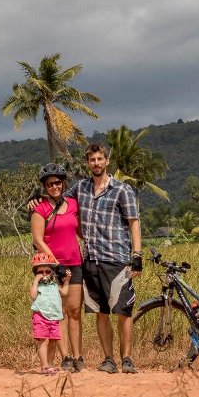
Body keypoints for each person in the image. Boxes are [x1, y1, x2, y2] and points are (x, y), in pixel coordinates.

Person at [69, 142, 142, 374]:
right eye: (92, 160)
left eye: (100, 159)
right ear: (87, 163)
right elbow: (58, 199)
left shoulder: (122, 190)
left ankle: (127, 358)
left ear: (107, 161)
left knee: (123, 311)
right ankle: (108, 359)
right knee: (100, 312)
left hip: (117, 259)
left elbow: (134, 223)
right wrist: (36, 199)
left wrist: (137, 255)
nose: (96, 163)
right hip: (91, 260)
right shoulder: (80, 188)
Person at [30, 163, 85, 372]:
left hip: (75, 263)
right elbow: (38, 240)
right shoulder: (40, 209)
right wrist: (55, 264)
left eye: (58, 182)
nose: (55, 187)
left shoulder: (72, 205)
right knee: (57, 312)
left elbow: (80, 231)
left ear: (63, 183)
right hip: (52, 269)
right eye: (50, 184)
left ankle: (78, 355)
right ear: (45, 186)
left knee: (75, 311)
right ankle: (65, 356)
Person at [29, 251, 70, 375]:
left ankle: (51, 364)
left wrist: (67, 281)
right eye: (40, 272)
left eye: (47, 271)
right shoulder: (38, 285)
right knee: (44, 340)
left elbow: (64, 293)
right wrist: (36, 281)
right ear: (35, 273)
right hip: (40, 316)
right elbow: (32, 295)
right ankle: (44, 365)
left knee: (53, 341)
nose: (44, 274)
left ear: (52, 272)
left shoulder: (54, 284)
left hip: (54, 317)